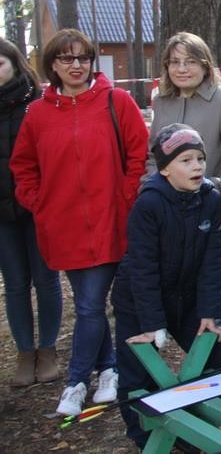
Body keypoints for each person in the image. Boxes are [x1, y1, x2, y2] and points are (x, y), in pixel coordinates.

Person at [11, 29, 148, 416]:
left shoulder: (116, 101)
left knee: (89, 305)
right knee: (90, 305)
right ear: (52, 65)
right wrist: (39, 204)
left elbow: (138, 153)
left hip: (110, 221)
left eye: (83, 58)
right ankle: (109, 370)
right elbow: (23, 166)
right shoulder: (38, 114)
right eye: (66, 58)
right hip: (63, 227)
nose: (76, 65)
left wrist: (124, 197)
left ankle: (75, 381)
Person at [112, 124, 221, 448]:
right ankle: (146, 436)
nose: (196, 167)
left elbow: (212, 262)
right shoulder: (148, 205)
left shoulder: (210, 199)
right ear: (164, 169)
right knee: (138, 369)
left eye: (200, 159)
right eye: (185, 160)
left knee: (214, 347)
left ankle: (195, 428)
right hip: (139, 301)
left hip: (186, 297)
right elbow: (143, 268)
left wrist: (209, 312)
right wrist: (152, 325)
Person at [150, 32, 221, 343]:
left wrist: (214, 191)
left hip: (213, 218)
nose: (182, 69)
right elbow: (153, 157)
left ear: (205, 65)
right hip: (168, 216)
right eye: (174, 62)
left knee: (216, 291)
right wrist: (153, 192)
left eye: (190, 62)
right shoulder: (161, 102)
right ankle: (194, 354)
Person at [0, 38, 61, 387]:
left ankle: (48, 350)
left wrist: (42, 199)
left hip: (39, 209)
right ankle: (25, 353)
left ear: (15, 64)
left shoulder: (39, 103)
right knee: (15, 284)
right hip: (2, 214)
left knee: (46, 280)